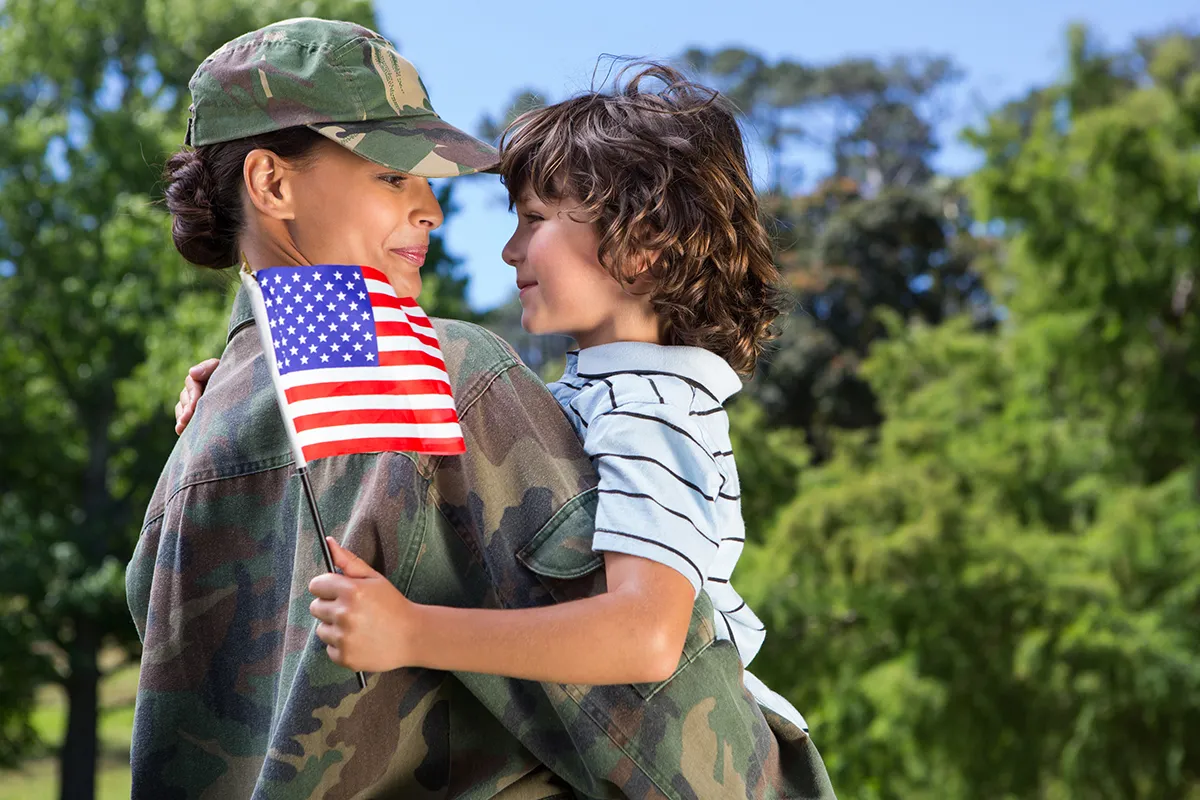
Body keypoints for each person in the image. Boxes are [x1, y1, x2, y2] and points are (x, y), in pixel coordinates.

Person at [143, 15, 835, 800]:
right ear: (272, 184)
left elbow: (645, 635)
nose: (435, 212)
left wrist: (412, 630)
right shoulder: (454, 376)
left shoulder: (195, 460)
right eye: (392, 174)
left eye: (534, 220)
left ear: (641, 247)